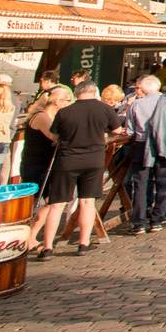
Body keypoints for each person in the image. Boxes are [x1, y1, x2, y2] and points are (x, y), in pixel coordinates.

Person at [39, 81, 123, 257]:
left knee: (57, 204)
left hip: (67, 160)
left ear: (76, 93)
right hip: (94, 159)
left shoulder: (65, 112)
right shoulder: (105, 109)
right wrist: (104, 138)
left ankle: (47, 247)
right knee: (87, 202)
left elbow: (54, 135)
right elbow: (117, 130)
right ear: (93, 92)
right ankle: (84, 243)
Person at [124, 76, 166, 234]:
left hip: (141, 145)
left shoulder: (136, 104)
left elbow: (130, 130)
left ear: (144, 88)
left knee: (140, 184)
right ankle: (157, 219)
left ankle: (139, 222)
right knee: (162, 183)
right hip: (164, 145)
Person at [21, 85, 73, 249]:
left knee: (50, 201)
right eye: (67, 100)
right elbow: (54, 136)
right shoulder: (42, 116)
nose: (69, 103)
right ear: (58, 102)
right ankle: (26, 237)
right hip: (36, 164)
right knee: (36, 202)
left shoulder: (50, 115)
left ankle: (31, 236)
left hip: (45, 163)